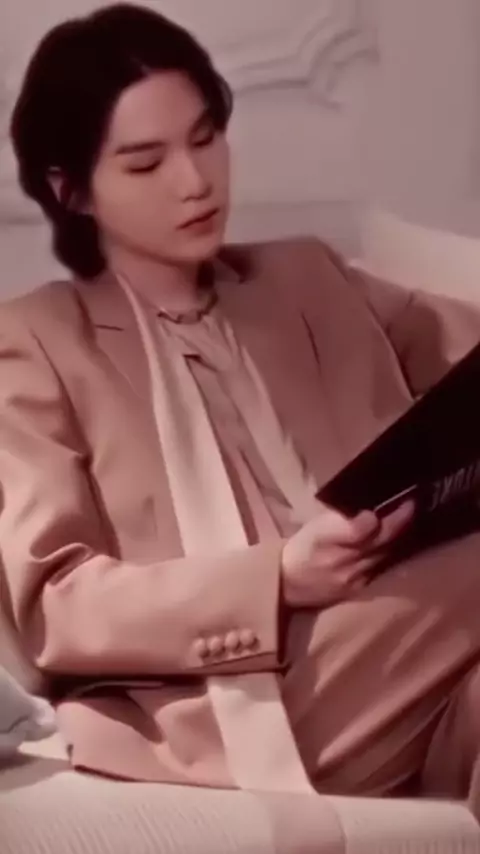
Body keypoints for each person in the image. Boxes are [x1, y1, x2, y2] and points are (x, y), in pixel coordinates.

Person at [2, 1, 480, 801]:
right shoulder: (34, 343)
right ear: (71, 189)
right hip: (235, 699)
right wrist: (280, 577)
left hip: (409, 653)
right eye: (145, 164)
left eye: (205, 139)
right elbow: (58, 606)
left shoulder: (307, 278)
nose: (195, 182)